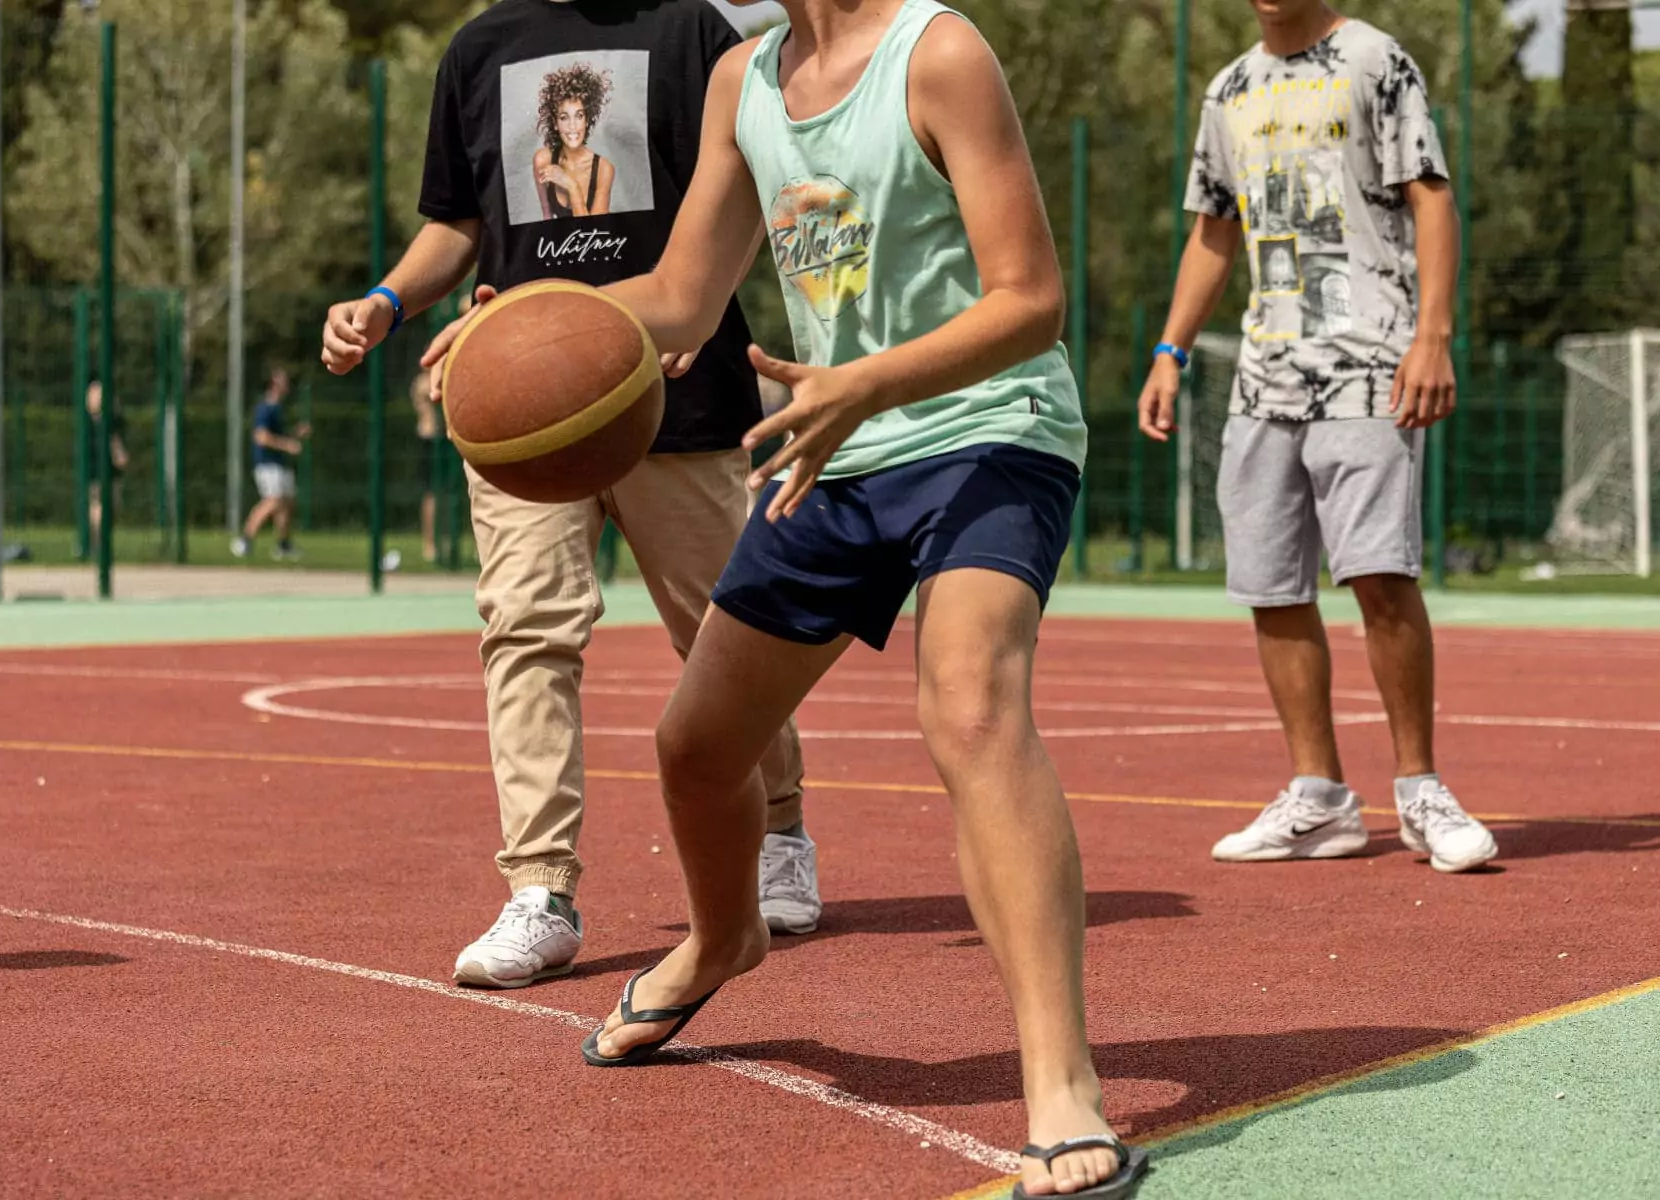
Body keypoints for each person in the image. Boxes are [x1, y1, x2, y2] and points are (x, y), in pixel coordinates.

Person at [432, 1, 1143, 1194]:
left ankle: (1063, 1083)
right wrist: (531, 328)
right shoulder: (742, 82)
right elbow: (681, 298)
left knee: (968, 711)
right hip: (836, 448)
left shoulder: (940, 53)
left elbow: (1030, 301)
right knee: (699, 750)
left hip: (986, 433)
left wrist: (860, 382)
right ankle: (724, 938)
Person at [319, 0, 820, 993]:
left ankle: (779, 828)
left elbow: (760, 193)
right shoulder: (481, 47)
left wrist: (704, 302)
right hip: (522, 408)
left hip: (675, 391)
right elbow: (456, 226)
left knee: (728, 632)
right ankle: (540, 890)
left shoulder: (694, 34)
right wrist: (382, 302)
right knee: (526, 627)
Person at [1138, 0, 1497, 873]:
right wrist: (1169, 350)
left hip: (1371, 362)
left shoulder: (1375, 60)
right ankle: (1321, 797)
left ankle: (1419, 789)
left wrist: (1432, 336)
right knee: (1271, 581)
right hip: (1265, 377)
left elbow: (1433, 200)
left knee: (1379, 572)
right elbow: (1213, 232)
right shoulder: (1229, 89)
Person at [232, 367, 310, 562]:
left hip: (279, 463)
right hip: (267, 464)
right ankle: (244, 540)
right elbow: (261, 437)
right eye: (282, 381)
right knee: (272, 500)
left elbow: (278, 437)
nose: (287, 385)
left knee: (286, 504)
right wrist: (287, 445)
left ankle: (283, 546)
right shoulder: (265, 408)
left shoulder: (279, 408)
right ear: (274, 384)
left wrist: (295, 434)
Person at [534, 62, 618, 219]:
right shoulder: (542, 160)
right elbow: (546, 218)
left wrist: (571, 186)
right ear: (555, 124)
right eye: (564, 117)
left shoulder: (604, 169)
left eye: (579, 116)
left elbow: (595, 231)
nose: (572, 126)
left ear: (587, 120)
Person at [84, 379, 128, 556]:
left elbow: (114, 440)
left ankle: (100, 542)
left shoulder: (111, 421)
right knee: (98, 505)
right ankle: (97, 544)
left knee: (113, 506)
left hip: (110, 472)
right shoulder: (89, 423)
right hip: (96, 471)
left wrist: (119, 454)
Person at [412, 372, 442, 563]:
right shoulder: (422, 381)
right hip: (428, 439)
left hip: (446, 440)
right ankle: (429, 544)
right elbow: (431, 393)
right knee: (430, 494)